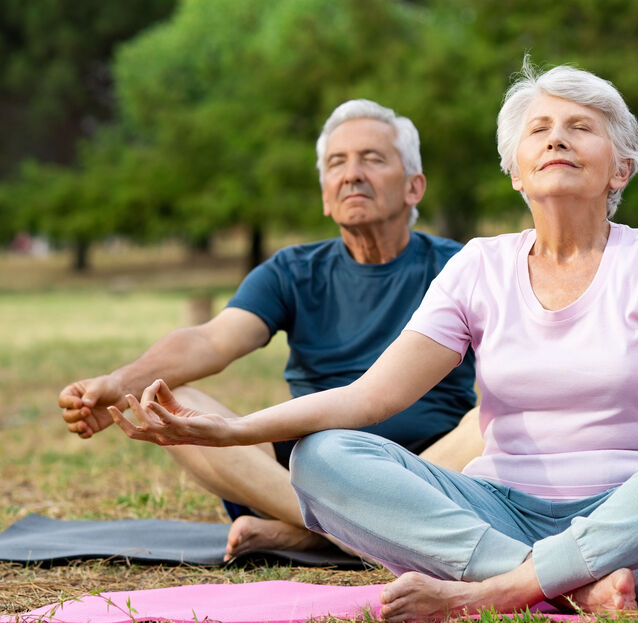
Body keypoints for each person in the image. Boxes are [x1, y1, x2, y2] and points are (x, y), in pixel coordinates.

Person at [109, 62, 638, 623]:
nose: (557, 137)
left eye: (581, 128)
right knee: (325, 455)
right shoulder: (480, 267)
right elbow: (369, 399)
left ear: (619, 163)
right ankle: (552, 582)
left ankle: (502, 591)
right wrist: (234, 428)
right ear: (515, 168)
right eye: (539, 128)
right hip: (505, 516)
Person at [59, 99, 479, 560]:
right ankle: (352, 532)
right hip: (309, 470)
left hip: (431, 466)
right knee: (166, 400)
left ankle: (310, 534)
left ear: (414, 187)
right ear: (325, 194)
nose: (352, 174)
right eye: (337, 163)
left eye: (372, 159)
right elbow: (211, 340)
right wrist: (120, 383)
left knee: (490, 422)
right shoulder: (292, 271)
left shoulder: (462, 266)